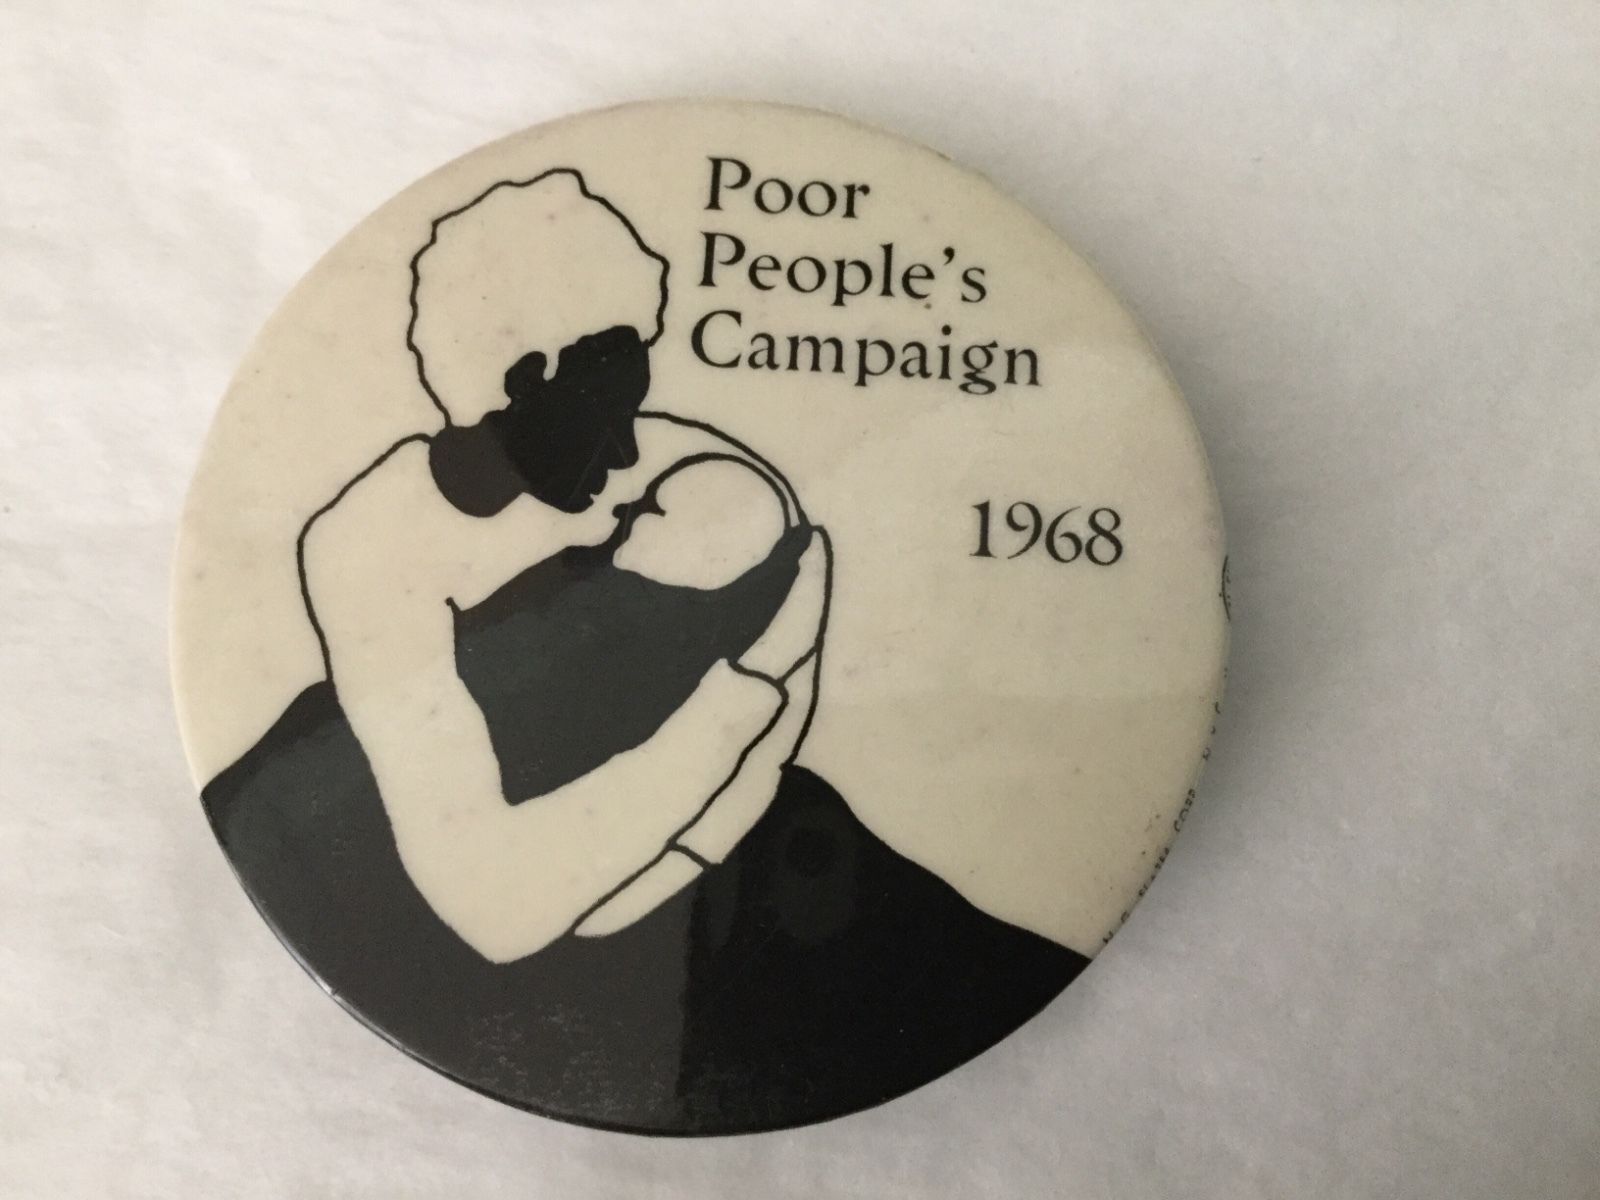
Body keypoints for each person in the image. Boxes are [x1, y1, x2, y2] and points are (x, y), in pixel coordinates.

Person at [204, 170, 1086, 1133]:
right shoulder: (365, 548)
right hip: (507, 933)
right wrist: (736, 700)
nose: (630, 453)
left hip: (731, 875)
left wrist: (724, 740)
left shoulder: (698, 471)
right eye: (609, 411)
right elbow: (496, 906)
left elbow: (761, 750)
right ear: (523, 381)